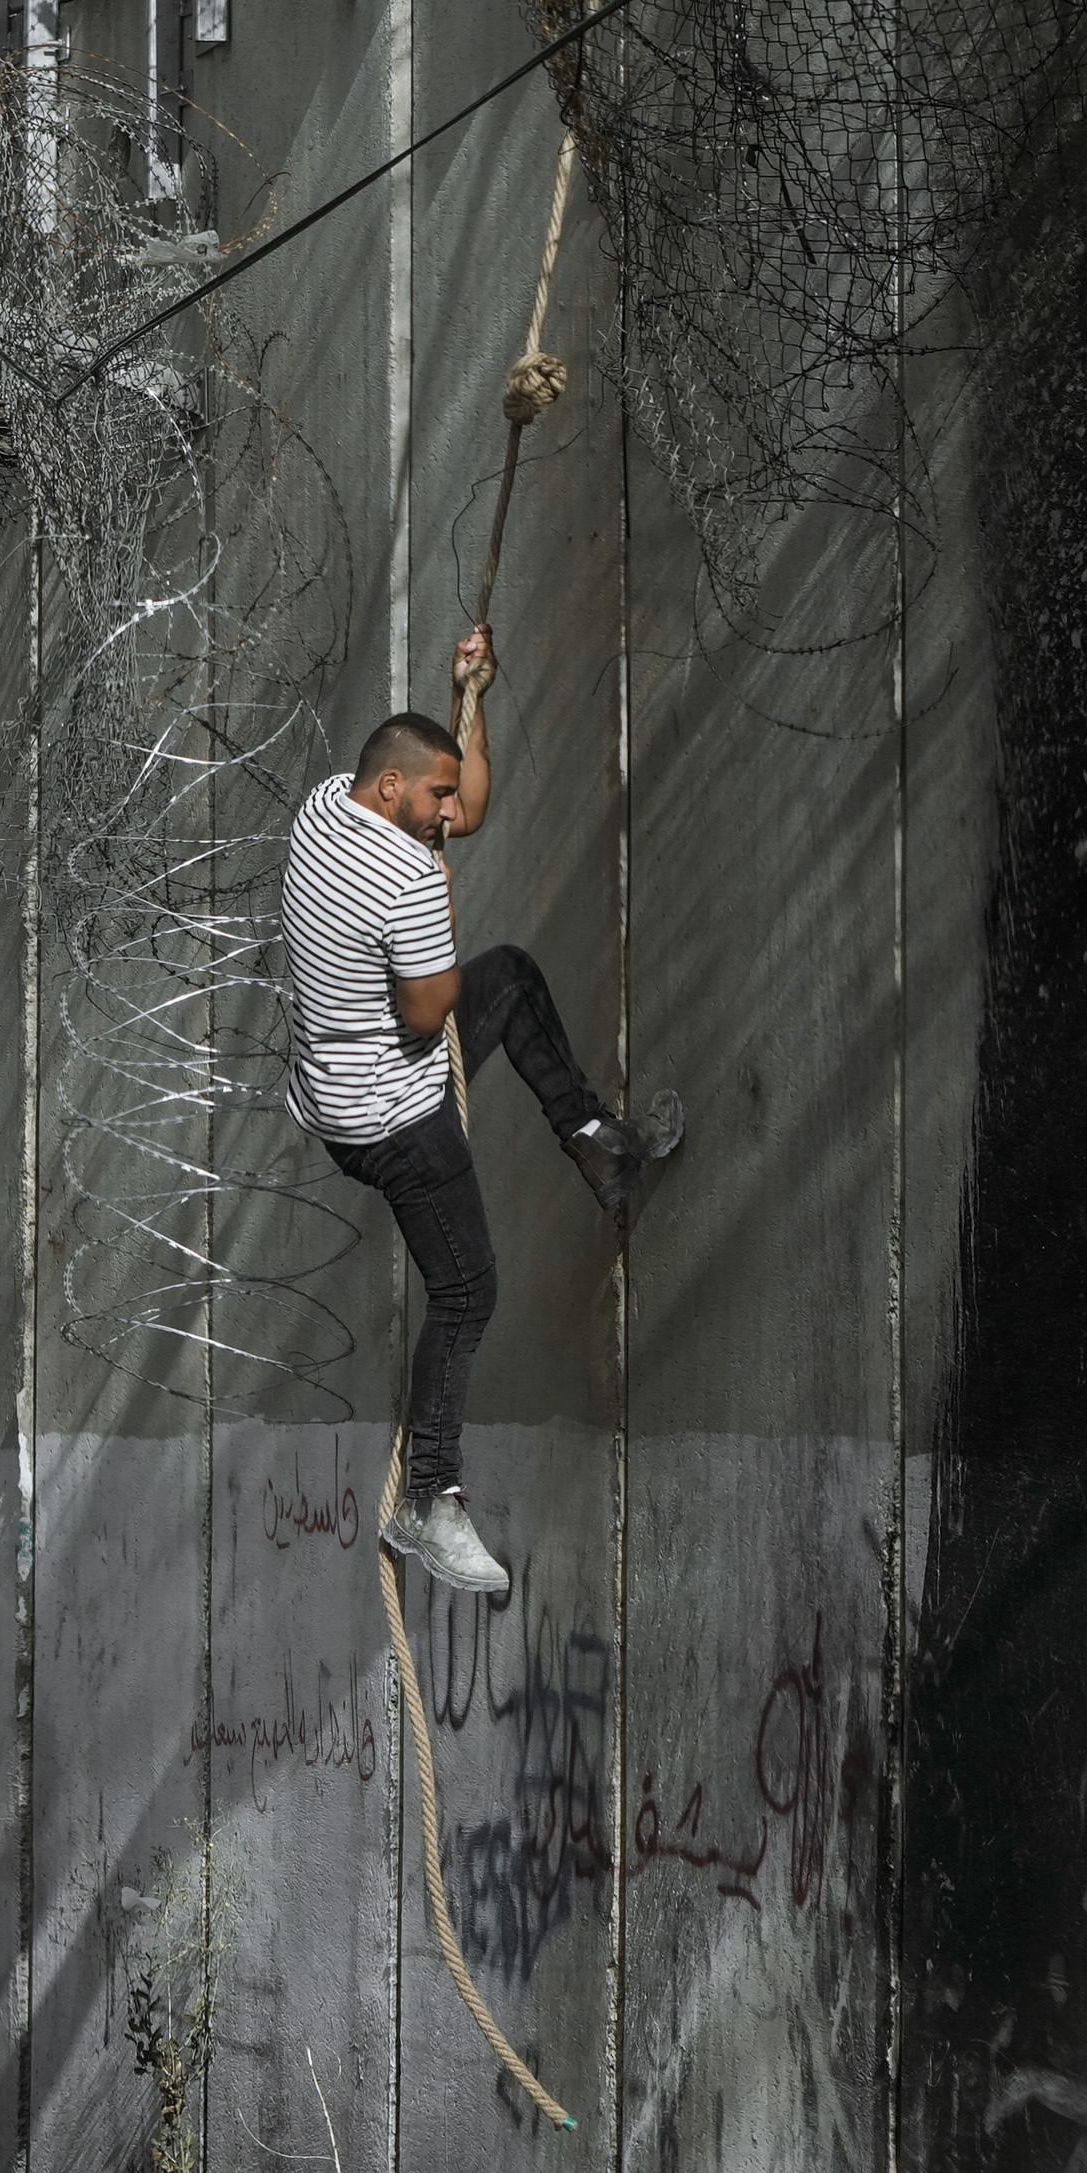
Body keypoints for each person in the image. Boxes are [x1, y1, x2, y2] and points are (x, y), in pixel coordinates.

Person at [278, 622, 679, 1601]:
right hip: (391, 1118)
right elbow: (426, 1014)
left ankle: (598, 1146)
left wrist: (469, 694)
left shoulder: (325, 805)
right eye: (435, 797)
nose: (451, 810)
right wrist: (433, 915)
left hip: (326, 1088)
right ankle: (428, 1498)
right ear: (393, 794)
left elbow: (471, 803)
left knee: (511, 979)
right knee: (466, 1291)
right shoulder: (409, 877)